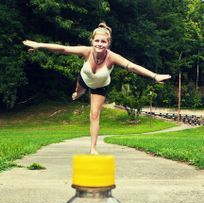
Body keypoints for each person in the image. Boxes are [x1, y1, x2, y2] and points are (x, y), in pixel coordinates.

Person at [23, 22, 171, 155]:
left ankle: (93, 148)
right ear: (92, 41)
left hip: (100, 86)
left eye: (103, 41)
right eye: (97, 41)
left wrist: (155, 76)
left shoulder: (112, 57)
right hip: (84, 79)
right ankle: (79, 93)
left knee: (94, 115)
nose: (100, 44)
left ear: (108, 43)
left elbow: (131, 66)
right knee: (78, 92)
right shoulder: (86, 51)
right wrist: (38, 45)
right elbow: (63, 49)